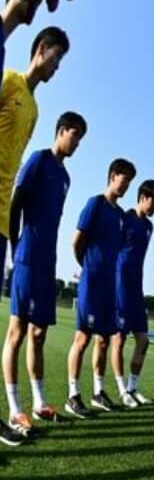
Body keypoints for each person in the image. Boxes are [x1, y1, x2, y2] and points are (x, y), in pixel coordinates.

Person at [0, 112, 82, 443]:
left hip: (48, 262)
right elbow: (16, 203)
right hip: (28, 257)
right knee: (17, 332)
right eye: (74, 134)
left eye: (81, 138)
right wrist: (16, 247)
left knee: (38, 334)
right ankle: (14, 408)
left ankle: (39, 403)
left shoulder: (65, 177)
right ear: (60, 131)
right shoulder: (38, 160)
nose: (76, 143)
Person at [64, 158, 134, 418]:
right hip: (92, 282)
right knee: (82, 338)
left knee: (104, 340)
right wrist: (87, 266)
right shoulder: (95, 203)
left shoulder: (120, 215)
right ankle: (73, 395)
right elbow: (76, 240)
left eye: (129, 182)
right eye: (124, 180)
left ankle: (98, 391)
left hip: (109, 285)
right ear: (113, 176)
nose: (126, 186)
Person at [0, 26, 68, 274]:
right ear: (41, 48)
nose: (57, 66)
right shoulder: (8, 80)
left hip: (2, 219)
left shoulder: (34, 111)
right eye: (57, 56)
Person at [109, 179, 154, 408]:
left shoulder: (149, 227)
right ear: (143, 198)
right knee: (119, 338)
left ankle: (132, 387)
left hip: (137, 287)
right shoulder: (124, 218)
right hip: (119, 283)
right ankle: (122, 390)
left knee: (143, 339)